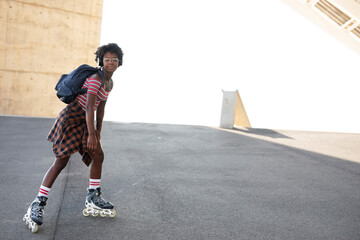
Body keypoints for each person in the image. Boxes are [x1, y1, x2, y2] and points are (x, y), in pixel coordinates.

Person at [23, 43, 123, 233]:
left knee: (98, 156)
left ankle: (93, 197)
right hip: (71, 119)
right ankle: (38, 203)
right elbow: (87, 107)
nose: (111, 62)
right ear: (101, 60)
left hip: (85, 122)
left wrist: (98, 132)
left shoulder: (109, 83)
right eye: (107, 59)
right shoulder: (95, 79)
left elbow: (100, 108)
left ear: (119, 62)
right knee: (61, 161)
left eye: (114, 60)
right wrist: (91, 134)